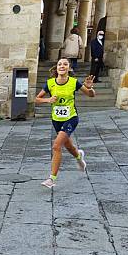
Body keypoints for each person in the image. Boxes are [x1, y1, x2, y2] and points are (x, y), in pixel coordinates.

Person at [35, 58, 96, 188]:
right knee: (68, 146)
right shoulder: (50, 83)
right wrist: (48, 100)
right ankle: (79, 157)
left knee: (56, 146)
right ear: (56, 68)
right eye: (59, 64)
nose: (62, 66)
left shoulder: (74, 82)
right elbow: (37, 99)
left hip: (71, 118)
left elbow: (91, 95)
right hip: (56, 120)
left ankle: (52, 179)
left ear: (69, 68)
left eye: (65, 64)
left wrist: (90, 88)